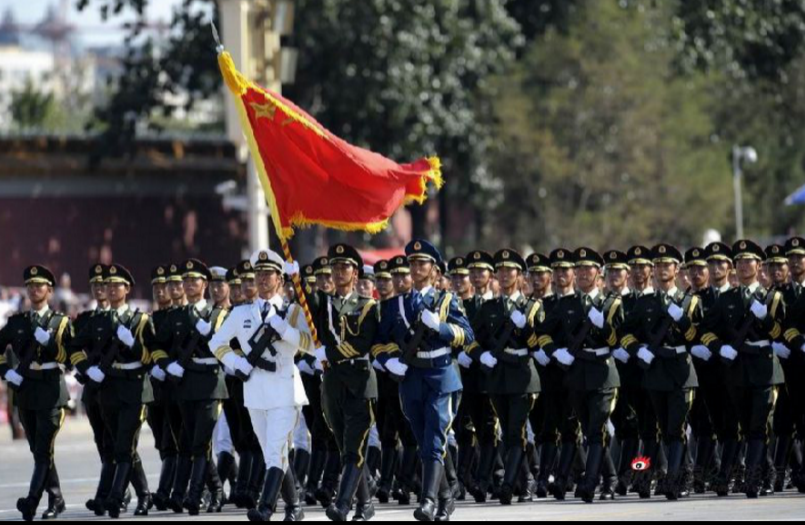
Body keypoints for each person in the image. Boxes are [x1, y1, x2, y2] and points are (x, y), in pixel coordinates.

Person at [375, 240, 474, 521]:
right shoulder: (396, 304)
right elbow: (380, 341)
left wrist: (440, 327)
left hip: (441, 375)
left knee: (434, 439)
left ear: (434, 270)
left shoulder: (446, 300)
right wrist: (389, 360)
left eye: (422, 263)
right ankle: (446, 496)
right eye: (413, 263)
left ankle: (428, 501)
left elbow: (467, 335)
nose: (416, 267)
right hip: (411, 378)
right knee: (425, 441)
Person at [210, 249, 311, 522]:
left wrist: (286, 331)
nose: (262, 278)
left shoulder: (292, 311)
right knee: (272, 454)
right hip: (255, 391)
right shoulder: (241, 312)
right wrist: (237, 363)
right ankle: (294, 507)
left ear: (280, 279)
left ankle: (266, 508)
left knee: (277, 450)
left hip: (285, 390)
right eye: (259, 273)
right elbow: (216, 343)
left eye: (268, 274)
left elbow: (311, 345)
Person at [699, 240, 786, 498]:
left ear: (759, 265)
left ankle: (752, 480)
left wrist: (765, 318)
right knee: (746, 427)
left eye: (749, 260)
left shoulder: (772, 297)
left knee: (759, 425)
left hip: (764, 369)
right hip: (736, 370)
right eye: (739, 261)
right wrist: (719, 348)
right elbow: (706, 331)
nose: (744, 265)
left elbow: (780, 333)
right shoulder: (726, 299)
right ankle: (765, 473)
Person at [535, 248, 623, 503]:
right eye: (580, 269)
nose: (584, 273)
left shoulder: (612, 304)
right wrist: (555, 352)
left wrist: (603, 325)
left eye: (589, 269)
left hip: (603, 374)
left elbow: (618, 341)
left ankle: (590, 483)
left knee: (596, 429)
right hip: (576, 375)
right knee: (587, 430)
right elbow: (543, 333)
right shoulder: (566, 304)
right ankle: (608, 477)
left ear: (599, 273)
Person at [72, 264, 155, 518]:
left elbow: (151, 357)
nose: (109, 288)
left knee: (124, 444)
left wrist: (133, 343)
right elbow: (74, 347)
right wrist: (87, 369)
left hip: (134, 388)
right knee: (117, 445)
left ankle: (116, 497)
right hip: (108, 388)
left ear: (127, 288)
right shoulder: (97, 320)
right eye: (107, 284)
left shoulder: (140, 320)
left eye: (115, 284)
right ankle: (143, 494)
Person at [465, 249, 541, 505]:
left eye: (510, 270)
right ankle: (526, 480)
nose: (505, 274)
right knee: (508, 433)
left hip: (522, 376)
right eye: (501, 270)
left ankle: (508, 485)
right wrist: (481, 356)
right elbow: (471, 339)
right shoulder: (489, 308)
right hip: (497, 377)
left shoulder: (532, 306)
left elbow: (539, 345)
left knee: (516, 431)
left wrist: (526, 328)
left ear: (519, 275)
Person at [309, 244, 379, 522]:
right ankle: (366, 504)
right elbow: (305, 300)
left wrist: (331, 353)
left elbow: (363, 342)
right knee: (345, 448)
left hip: (359, 382)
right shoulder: (323, 303)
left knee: (354, 448)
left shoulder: (367, 305)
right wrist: (295, 277)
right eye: (335, 268)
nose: (338, 272)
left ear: (355, 273)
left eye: (344, 267)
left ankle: (342, 505)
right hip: (333, 384)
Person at [0, 265, 72, 521]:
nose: (34, 289)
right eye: (30, 285)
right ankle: (57, 498)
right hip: (26, 391)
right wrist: (6, 372)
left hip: (51, 392)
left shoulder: (60, 322)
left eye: (39, 285)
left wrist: (50, 343)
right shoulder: (17, 322)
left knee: (43, 450)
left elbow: (70, 358)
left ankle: (31, 502)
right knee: (39, 450)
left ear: (50, 290)